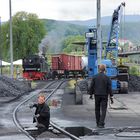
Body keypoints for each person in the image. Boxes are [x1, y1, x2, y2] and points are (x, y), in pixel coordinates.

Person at [89, 64, 113, 128]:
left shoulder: (95, 77)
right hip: (104, 95)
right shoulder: (107, 78)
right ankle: (101, 123)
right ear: (105, 69)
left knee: (97, 109)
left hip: (96, 95)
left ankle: (97, 122)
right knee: (104, 110)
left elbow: (91, 86)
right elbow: (109, 88)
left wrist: (91, 94)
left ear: (99, 69)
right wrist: (111, 96)